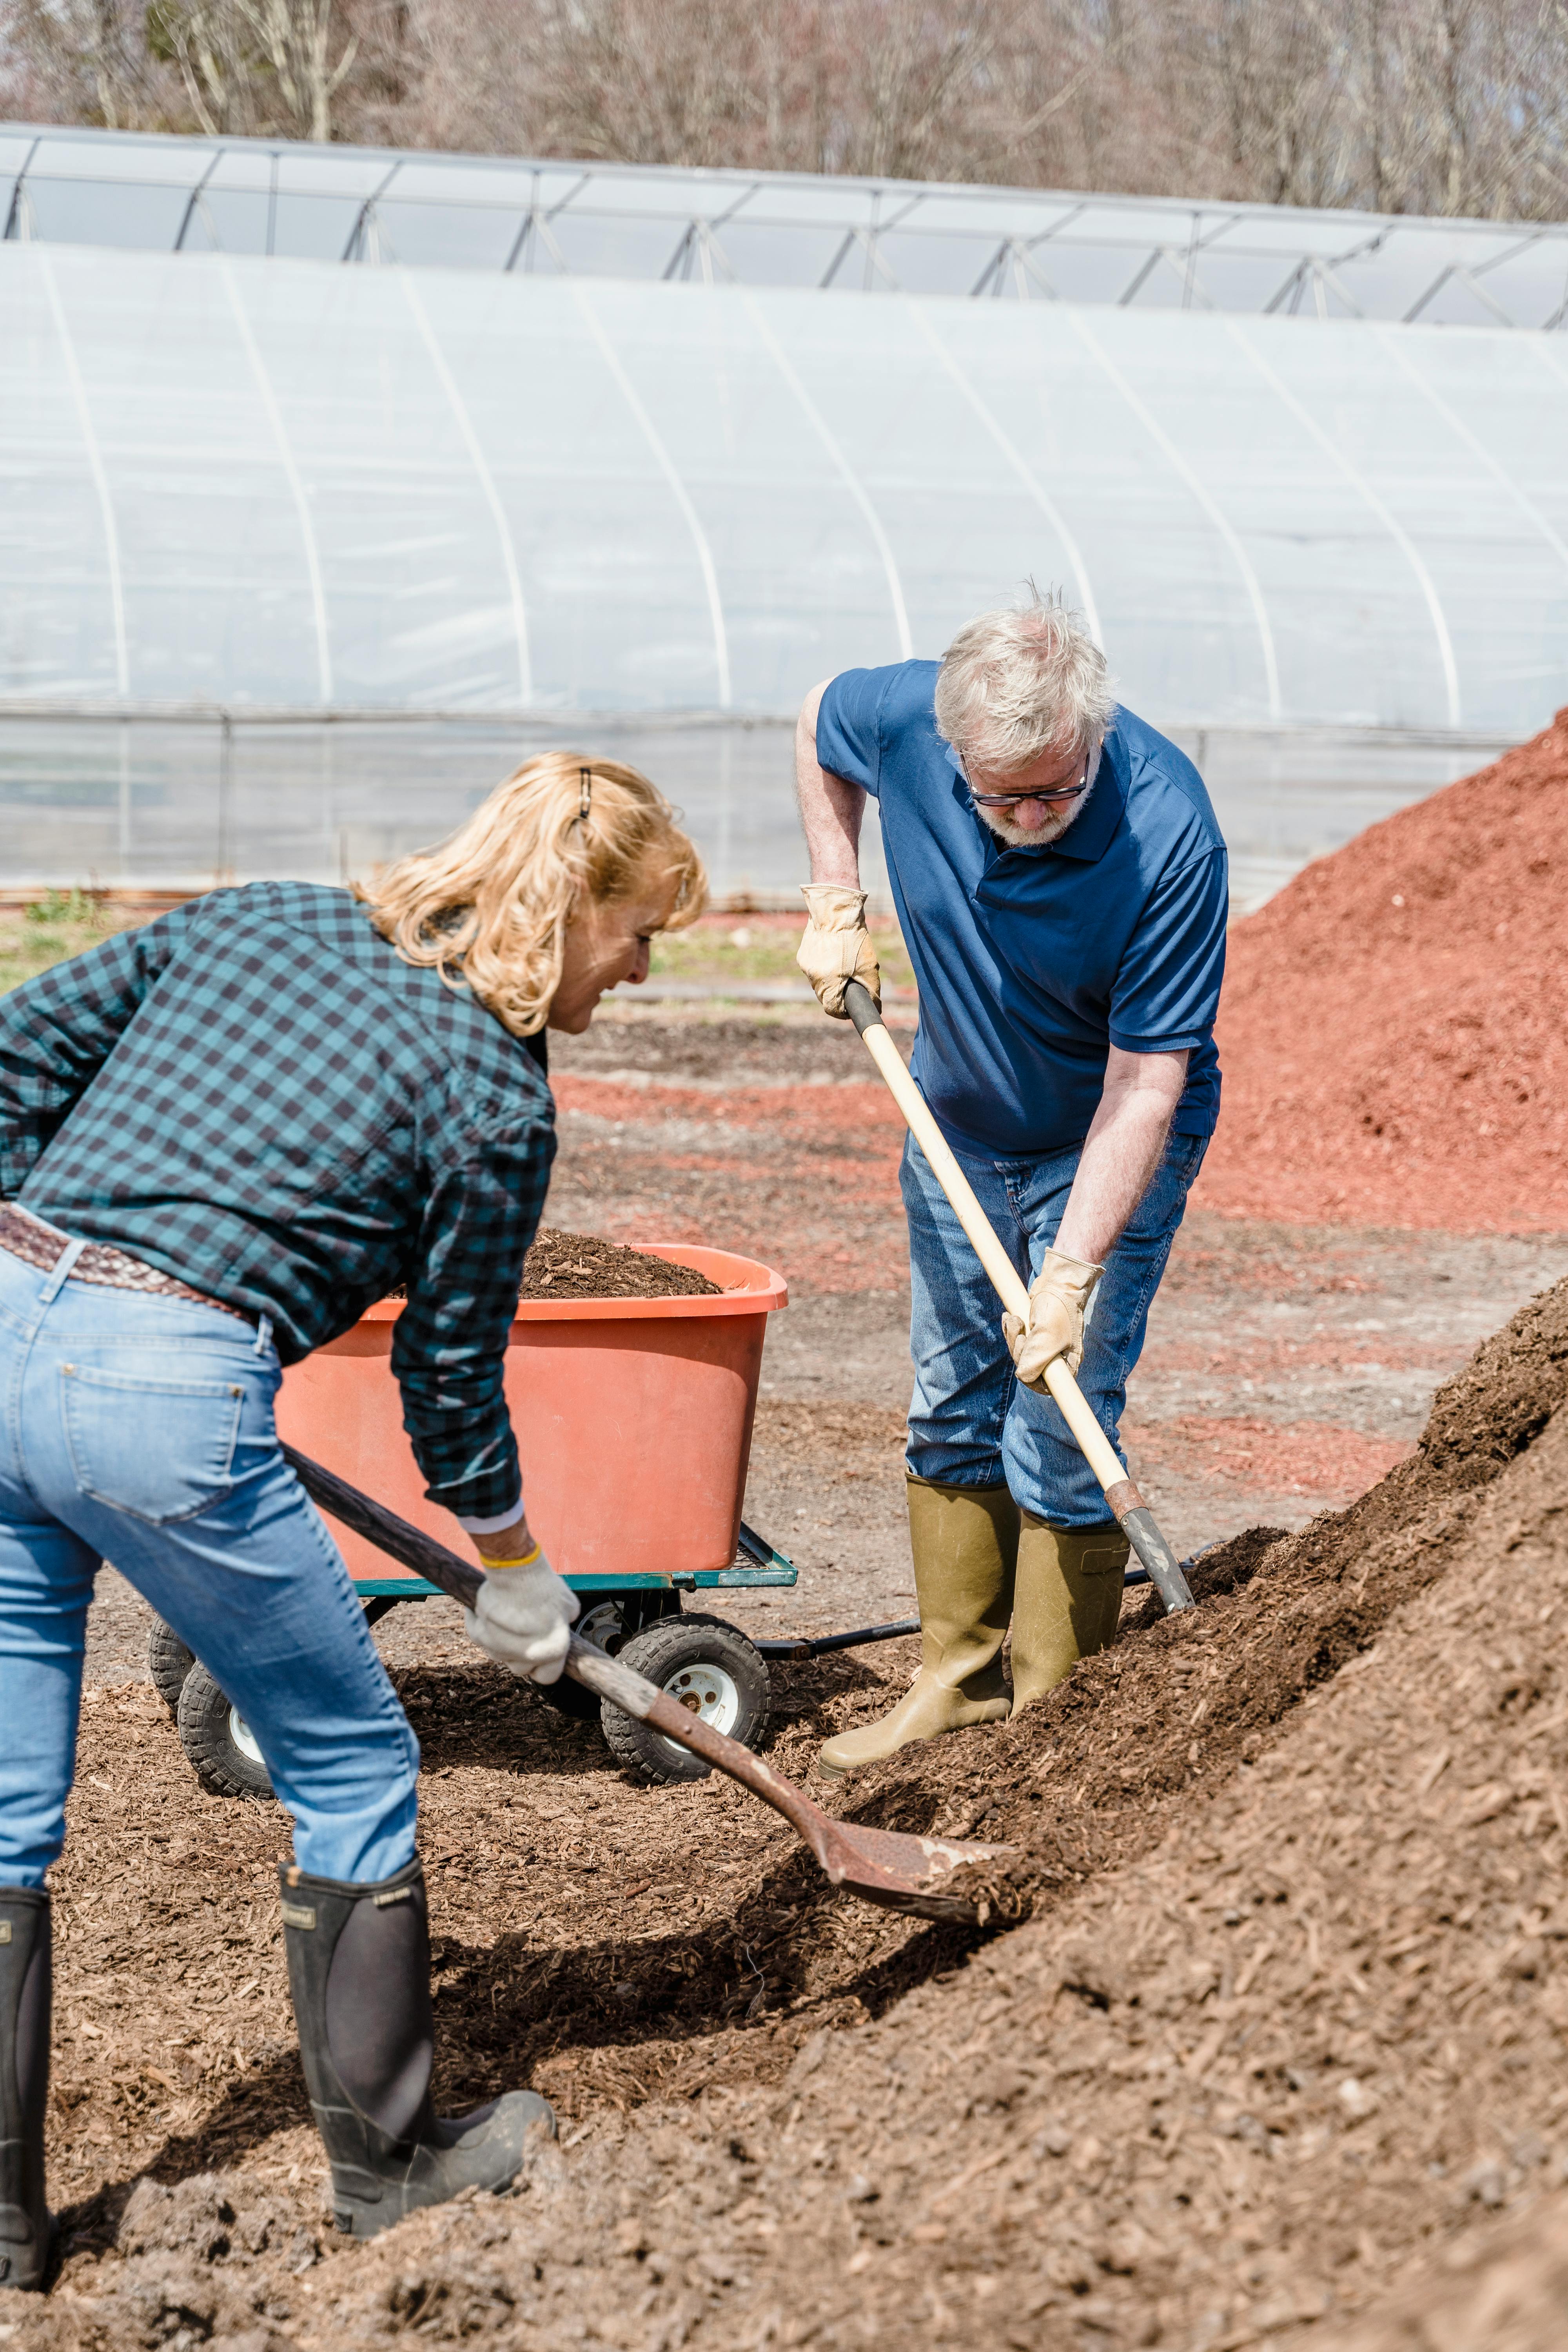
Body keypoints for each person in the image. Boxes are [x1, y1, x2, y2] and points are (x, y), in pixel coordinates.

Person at [0, 756, 705, 2286]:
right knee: (355, 1758)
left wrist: (37, 1269)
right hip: (168, 1391)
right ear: (575, 906)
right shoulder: (494, 1092)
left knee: (3, 1812)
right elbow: (450, 1384)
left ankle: (1, 2228)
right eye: (640, 933)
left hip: (5, 1331)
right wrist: (519, 1575)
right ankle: (394, 2170)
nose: (643, 970)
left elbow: (13, 1055)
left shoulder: (267, 920)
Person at [795, 595, 1226, 1778]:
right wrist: (836, 888)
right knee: (951, 1397)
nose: (1030, 816)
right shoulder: (902, 718)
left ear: (1093, 741)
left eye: (1057, 791)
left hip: (1105, 1135)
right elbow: (818, 724)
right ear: (952, 754)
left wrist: (1073, 1272)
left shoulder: (1168, 829)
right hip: (958, 1127)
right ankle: (957, 1681)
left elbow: (1146, 1083)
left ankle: (1053, 1723)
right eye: (1002, 797)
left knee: (1058, 1419)